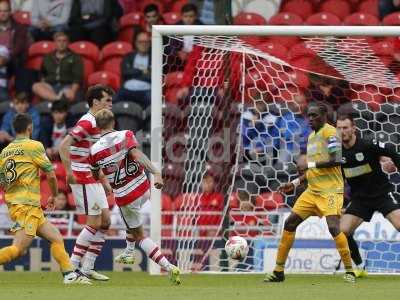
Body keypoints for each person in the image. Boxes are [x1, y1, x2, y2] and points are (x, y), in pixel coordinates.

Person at [265, 103, 356, 283]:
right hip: (312, 191)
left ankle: (349, 271)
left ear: (324, 116)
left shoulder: (331, 133)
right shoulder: (312, 137)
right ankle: (278, 271)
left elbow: (336, 159)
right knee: (290, 223)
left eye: (314, 116)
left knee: (333, 227)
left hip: (330, 191)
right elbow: (312, 170)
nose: (310, 119)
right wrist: (296, 182)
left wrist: (310, 164)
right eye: (309, 116)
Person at [89, 108, 181, 285]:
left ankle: (169, 267)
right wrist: (156, 173)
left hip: (125, 196)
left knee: (139, 234)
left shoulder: (93, 151)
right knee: (131, 221)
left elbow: (95, 175)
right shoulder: (126, 134)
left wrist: (105, 180)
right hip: (143, 187)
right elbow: (137, 154)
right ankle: (128, 252)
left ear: (97, 127)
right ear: (113, 122)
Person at [0, 113, 90, 284]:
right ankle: (70, 274)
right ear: (30, 128)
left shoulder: (5, 152)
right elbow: (50, 174)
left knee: (55, 237)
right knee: (19, 250)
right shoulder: (34, 146)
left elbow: (2, 181)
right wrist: (54, 195)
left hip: (19, 204)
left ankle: (69, 274)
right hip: (27, 205)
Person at [58, 84, 113, 281]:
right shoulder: (88, 122)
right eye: (107, 100)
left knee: (106, 222)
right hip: (81, 177)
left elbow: (93, 156)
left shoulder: (98, 123)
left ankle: (88, 267)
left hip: (92, 177)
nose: (111, 104)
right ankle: (71, 269)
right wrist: (68, 172)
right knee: (95, 222)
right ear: (96, 102)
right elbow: (63, 146)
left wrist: (104, 180)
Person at [336, 114, 400, 277]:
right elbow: (337, 179)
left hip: (382, 193)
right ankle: (359, 266)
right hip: (360, 199)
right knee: (342, 231)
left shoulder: (367, 144)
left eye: (345, 128)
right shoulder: (336, 152)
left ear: (353, 129)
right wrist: (340, 203)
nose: (342, 131)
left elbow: (392, 151)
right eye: (339, 128)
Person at [32, 31, 83, 102]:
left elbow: (77, 78)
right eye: (59, 41)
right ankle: (57, 99)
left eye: (64, 41)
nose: (61, 43)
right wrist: (44, 85)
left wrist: (72, 91)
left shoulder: (75, 57)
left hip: (67, 86)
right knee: (36, 86)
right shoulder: (48, 57)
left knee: (69, 94)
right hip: (50, 86)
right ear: (55, 43)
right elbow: (42, 74)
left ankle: (54, 100)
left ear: (68, 43)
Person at [0, 0, 33, 95]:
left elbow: (18, 50)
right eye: (0, 11)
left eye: (5, 11)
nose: (2, 14)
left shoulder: (20, 28)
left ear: (10, 12)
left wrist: (5, 57)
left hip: (12, 63)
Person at [117, 31, 151, 107]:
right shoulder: (128, 56)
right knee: (113, 101)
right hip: (127, 90)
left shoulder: (153, 57)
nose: (143, 44)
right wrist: (142, 71)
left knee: (154, 103)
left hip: (146, 91)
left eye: (146, 42)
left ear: (150, 43)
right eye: (141, 42)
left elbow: (152, 77)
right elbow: (125, 72)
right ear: (135, 43)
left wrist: (133, 73)